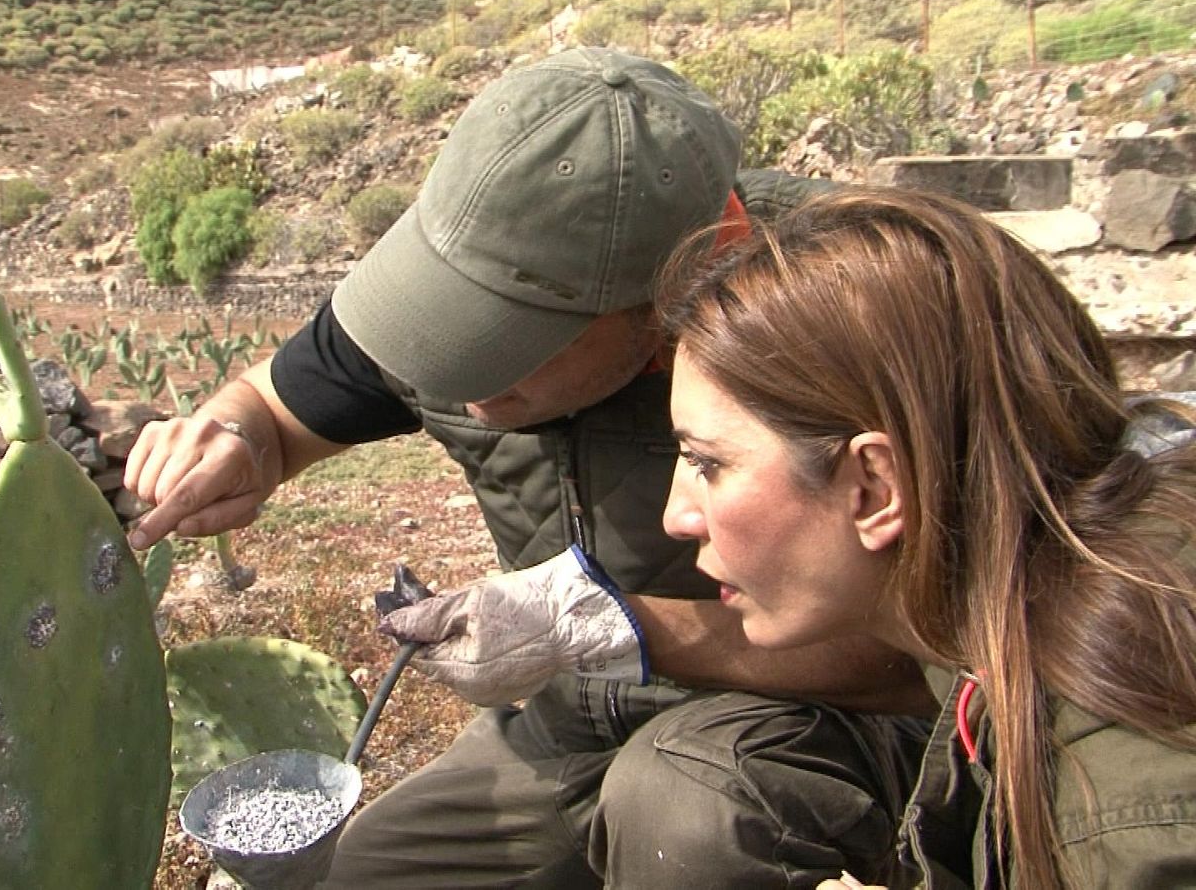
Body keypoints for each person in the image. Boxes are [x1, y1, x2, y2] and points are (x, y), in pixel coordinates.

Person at [127, 48, 932, 886]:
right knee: (376, 870)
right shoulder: (462, 279)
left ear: (667, 300)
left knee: (682, 816)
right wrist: (231, 437)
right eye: (452, 324)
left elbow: (943, 654)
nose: (460, 382)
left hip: (810, 716)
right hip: (570, 721)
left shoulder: (850, 310)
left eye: (508, 342)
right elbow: (271, 408)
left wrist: (616, 626)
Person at [656, 186, 1196, 888]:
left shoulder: (1128, 803)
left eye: (707, 464)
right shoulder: (1018, 595)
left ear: (876, 489)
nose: (678, 515)